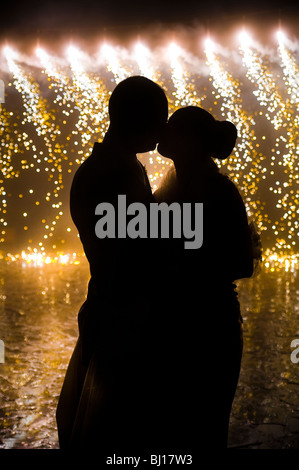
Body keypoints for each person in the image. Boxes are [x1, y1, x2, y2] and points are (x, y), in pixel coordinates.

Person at [56, 76, 169, 451]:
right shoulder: (115, 174)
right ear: (138, 119)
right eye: (159, 118)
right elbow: (135, 254)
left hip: (113, 307)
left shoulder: (117, 165)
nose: (163, 129)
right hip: (122, 318)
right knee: (115, 434)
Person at [155, 106, 255, 449]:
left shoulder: (221, 193)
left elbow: (243, 264)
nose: (162, 132)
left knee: (204, 427)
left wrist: (181, 266)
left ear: (191, 141)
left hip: (210, 327)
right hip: (177, 326)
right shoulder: (167, 187)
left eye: (172, 128)